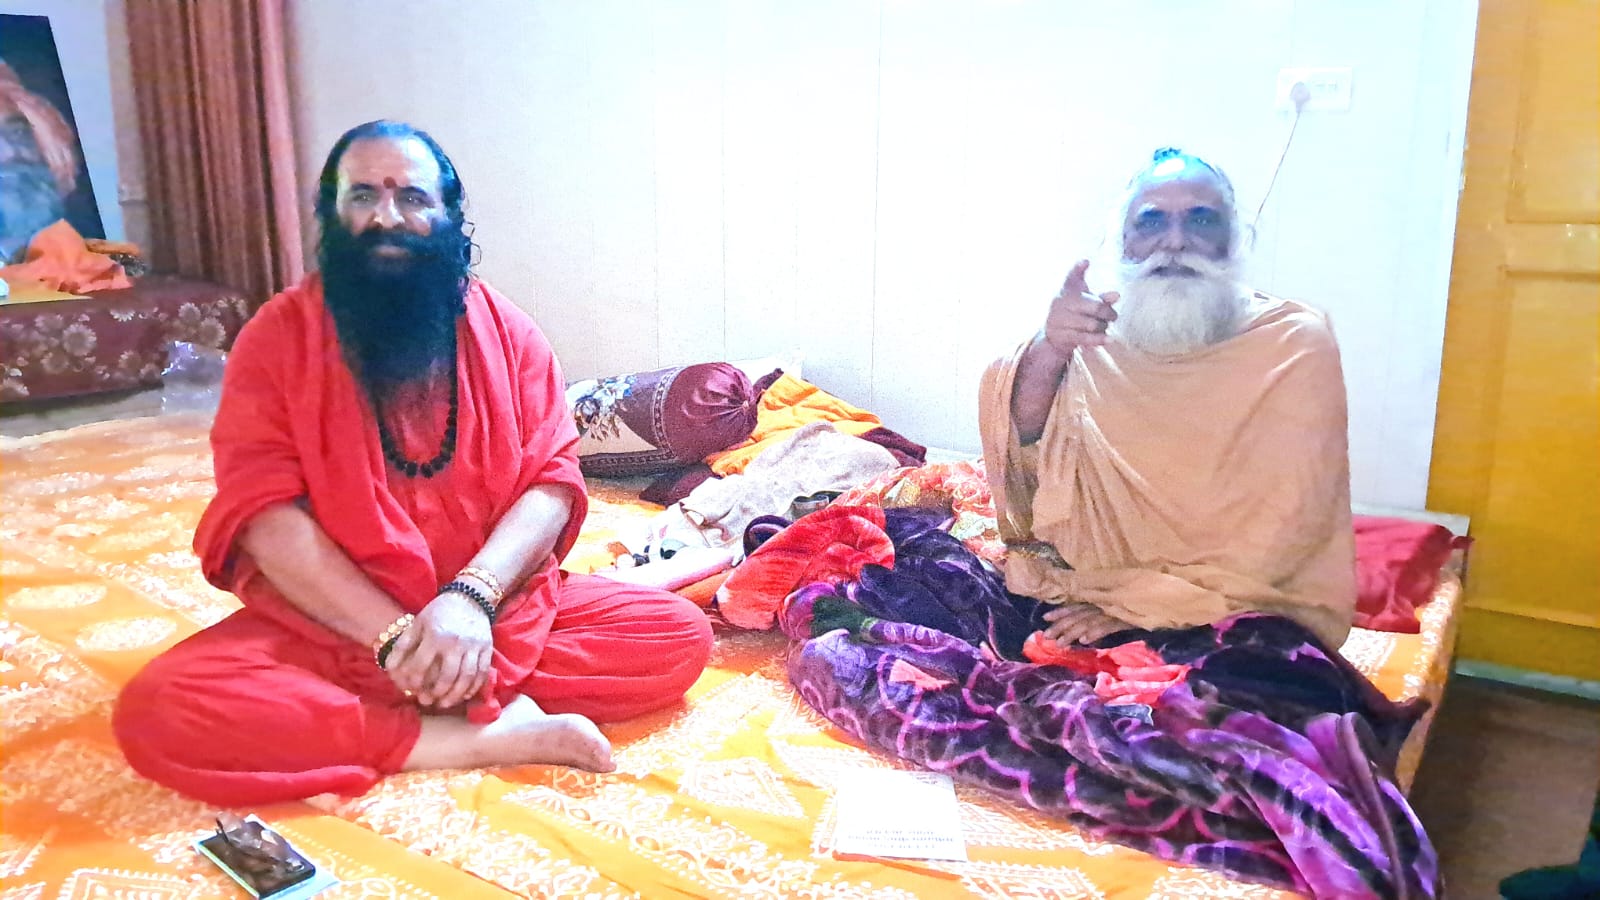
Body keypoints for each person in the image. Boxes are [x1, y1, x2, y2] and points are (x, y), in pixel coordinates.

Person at [113, 120, 713, 806]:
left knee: (675, 636)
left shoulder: (510, 334)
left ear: (450, 214)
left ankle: (396, 702)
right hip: (337, 620)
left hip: (491, 612)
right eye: (363, 196)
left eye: (412, 197)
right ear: (332, 214)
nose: (387, 217)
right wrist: (396, 638)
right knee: (164, 709)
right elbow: (265, 518)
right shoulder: (276, 340)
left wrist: (470, 599)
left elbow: (549, 483)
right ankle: (463, 737)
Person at [979, 147, 1357, 651]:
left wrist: (1149, 606)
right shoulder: (1091, 331)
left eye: (1201, 219)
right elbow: (1022, 440)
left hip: (1242, 607)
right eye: (1152, 221)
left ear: (1234, 239)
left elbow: (1292, 523)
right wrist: (1052, 346)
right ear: (1123, 241)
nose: (1175, 242)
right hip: (1093, 588)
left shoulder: (1294, 341)